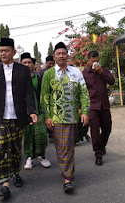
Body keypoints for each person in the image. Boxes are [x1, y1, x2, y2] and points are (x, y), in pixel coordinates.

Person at [0, 38, 37, 198]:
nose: (3, 53)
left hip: (18, 116)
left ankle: (15, 173)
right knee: (1, 151)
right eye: (1, 51)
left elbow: (29, 93)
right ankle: (4, 183)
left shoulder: (22, 70)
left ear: (13, 52)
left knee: (16, 149)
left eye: (6, 51)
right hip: (0, 117)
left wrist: (32, 111)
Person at [40, 42, 89, 193]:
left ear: (68, 55)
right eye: (58, 54)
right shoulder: (49, 74)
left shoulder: (76, 72)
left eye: (64, 53)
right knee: (62, 147)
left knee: (68, 147)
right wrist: (47, 116)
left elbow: (84, 93)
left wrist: (85, 111)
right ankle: (68, 177)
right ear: (54, 56)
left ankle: (67, 175)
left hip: (73, 116)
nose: (61, 56)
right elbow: (44, 96)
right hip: (56, 118)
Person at [82, 51, 115, 166]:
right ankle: (98, 154)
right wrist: (81, 108)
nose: (95, 63)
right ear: (88, 61)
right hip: (92, 106)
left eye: (97, 61)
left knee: (107, 128)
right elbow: (81, 92)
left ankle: (102, 145)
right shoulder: (84, 74)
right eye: (93, 61)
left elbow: (112, 81)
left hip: (104, 105)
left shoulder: (104, 70)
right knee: (95, 131)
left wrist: (101, 72)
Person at [20, 53, 50, 170]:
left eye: (29, 63)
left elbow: (43, 94)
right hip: (24, 113)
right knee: (27, 136)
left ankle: (41, 155)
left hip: (38, 111)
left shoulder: (38, 78)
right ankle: (29, 157)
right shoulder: (17, 79)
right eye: (24, 63)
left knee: (41, 135)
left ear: (34, 65)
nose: (27, 65)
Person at [39, 55, 56, 143]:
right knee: (47, 115)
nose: (51, 65)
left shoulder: (56, 72)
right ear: (46, 63)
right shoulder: (42, 73)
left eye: (53, 64)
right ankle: (50, 134)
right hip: (45, 97)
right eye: (50, 64)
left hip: (55, 98)